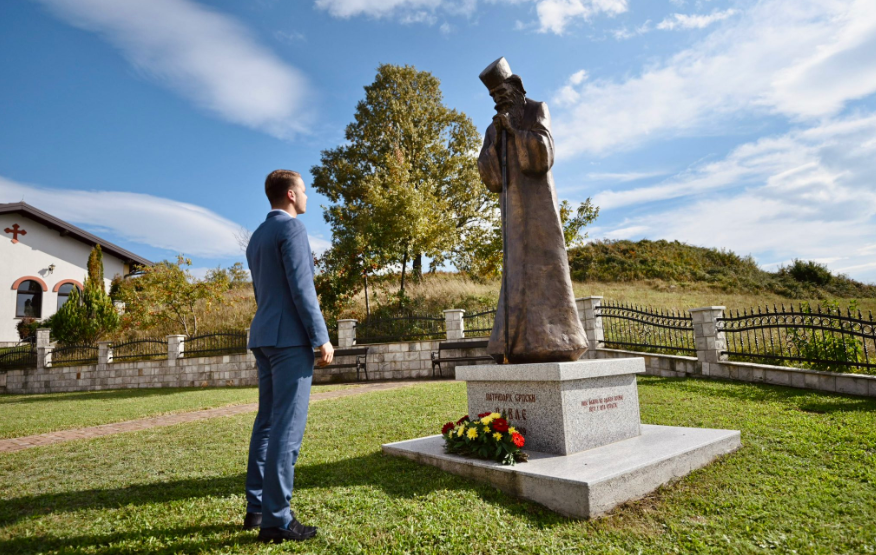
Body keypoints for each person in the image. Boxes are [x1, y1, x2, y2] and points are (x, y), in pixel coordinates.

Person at [477, 57, 588, 364]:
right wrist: (494, 144)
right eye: (494, 98)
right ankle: (510, 343)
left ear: (515, 87)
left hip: (538, 204)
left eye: (502, 94)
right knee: (514, 268)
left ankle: (558, 339)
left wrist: (514, 131)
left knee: (546, 261)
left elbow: (543, 153)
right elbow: (489, 173)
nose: (499, 101)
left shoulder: (536, 109)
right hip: (512, 205)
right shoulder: (492, 127)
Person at [243, 169, 334, 543]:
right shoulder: (292, 229)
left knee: (267, 422)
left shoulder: (257, 237)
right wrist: (321, 337)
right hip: (289, 340)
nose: (308, 196)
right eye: (305, 191)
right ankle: (277, 520)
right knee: (287, 428)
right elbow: (302, 288)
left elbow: (263, 293)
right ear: (292, 196)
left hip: (264, 336)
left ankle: (257, 508)